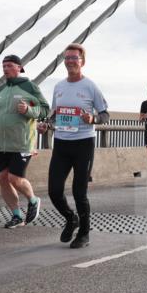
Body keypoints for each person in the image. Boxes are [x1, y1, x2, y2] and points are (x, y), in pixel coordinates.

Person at [38, 43, 109, 249]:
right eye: (67, 58)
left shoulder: (90, 86)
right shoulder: (59, 87)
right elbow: (54, 114)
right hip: (61, 143)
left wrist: (92, 118)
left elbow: (105, 114)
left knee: (79, 192)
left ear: (82, 62)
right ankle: (71, 218)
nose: (70, 62)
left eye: (74, 58)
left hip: (84, 144)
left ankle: (84, 234)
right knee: (54, 191)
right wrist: (47, 124)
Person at [0, 54, 50, 229]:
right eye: (4, 66)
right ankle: (16, 215)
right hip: (1, 143)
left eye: (9, 65)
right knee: (3, 178)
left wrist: (28, 110)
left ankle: (33, 200)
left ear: (19, 68)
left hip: (22, 142)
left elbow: (45, 110)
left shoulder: (30, 87)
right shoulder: (1, 90)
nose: (5, 69)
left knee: (14, 177)